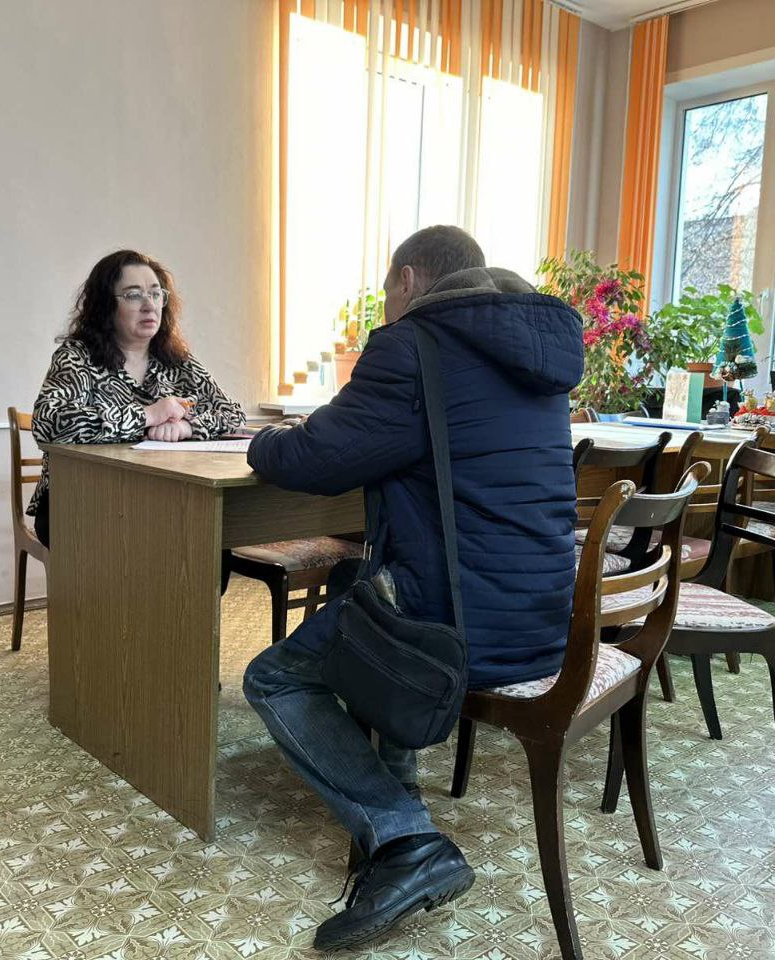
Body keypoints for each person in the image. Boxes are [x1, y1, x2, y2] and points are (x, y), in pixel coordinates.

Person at [242, 225, 583, 951]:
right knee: (358, 588)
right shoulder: (539, 351)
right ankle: (400, 794)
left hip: (460, 625)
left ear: (407, 280)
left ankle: (405, 839)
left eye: (387, 291)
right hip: (544, 614)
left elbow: (318, 459)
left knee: (275, 678)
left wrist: (261, 439)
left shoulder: (416, 343)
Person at [29, 250, 245, 547]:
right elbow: (50, 423)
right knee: (165, 536)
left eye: (156, 294)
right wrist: (149, 415)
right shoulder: (77, 356)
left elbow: (233, 415)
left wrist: (187, 427)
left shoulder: (177, 360)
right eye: (133, 295)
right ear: (105, 305)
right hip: (78, 498)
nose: (149, 305)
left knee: (205, 532)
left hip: (157, 494)